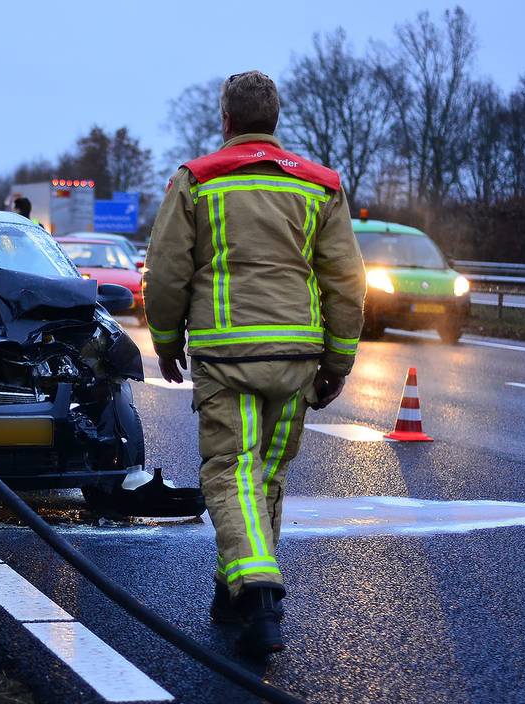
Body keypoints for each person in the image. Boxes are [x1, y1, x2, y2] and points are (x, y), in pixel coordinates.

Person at [144, 71, 365, 659]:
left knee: (231, 471)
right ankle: (230, 590)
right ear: (276, 119)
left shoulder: (197, 180)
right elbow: (346, 281)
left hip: (226, 356)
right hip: (297, 356)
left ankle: (259, 588)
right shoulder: (320, 186)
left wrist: (166, 344)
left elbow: (166, 270)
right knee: (263, 477)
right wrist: (338, 361)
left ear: (226, 120)